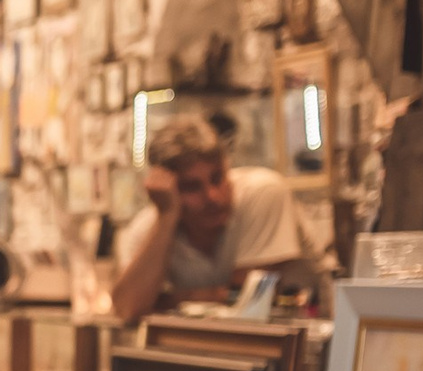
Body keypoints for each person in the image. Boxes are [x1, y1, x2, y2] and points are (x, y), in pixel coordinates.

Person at [111, 114, 321, 323]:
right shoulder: (148, 226)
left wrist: (164, 301)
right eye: (191, 187)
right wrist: (167, 217)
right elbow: (128, 309)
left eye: (217, 178)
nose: (212, 196)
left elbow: (249, 299)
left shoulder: (264, 192)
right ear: (167, 189)